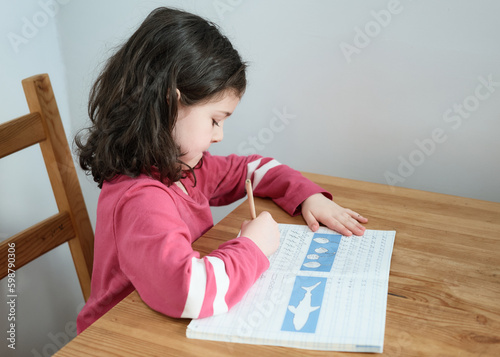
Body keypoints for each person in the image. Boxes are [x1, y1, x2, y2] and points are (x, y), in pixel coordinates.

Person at [75, 7, 368, 333]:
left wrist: (308, 197)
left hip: (162, 328)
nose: (219, 135)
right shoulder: (140, 199)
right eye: (215, 120)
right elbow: (188, 292)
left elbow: (251, 168)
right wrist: (252, 247)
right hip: (117, 338)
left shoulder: (182, 167)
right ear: (169, 105)